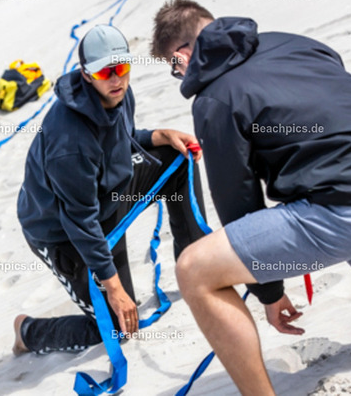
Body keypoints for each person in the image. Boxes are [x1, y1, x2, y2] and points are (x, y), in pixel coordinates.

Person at [150, 0, 351, 395]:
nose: (179, 75)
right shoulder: (293, 41)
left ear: (183, 55)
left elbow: (236, 198)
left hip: (349, 209)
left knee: (193, 270)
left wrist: (269, 291)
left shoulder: (214, 97)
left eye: (174, 67)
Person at [13, 24, 207, 355]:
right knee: (118, 327)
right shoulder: (69, 143)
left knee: (179, 158)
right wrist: (113, 287)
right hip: (62, 231)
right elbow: (79, 220)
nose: (116, 79)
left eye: (122, 67)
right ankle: (28, 332)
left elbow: (121, 140)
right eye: (105, 72)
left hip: (108, 198)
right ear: (86, 75)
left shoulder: (118, 93)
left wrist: (159, 136)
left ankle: (197, 267)